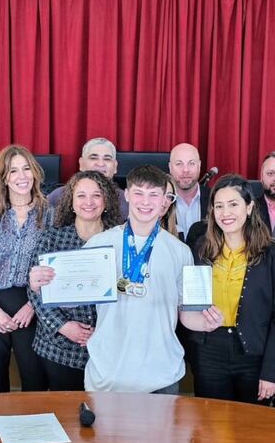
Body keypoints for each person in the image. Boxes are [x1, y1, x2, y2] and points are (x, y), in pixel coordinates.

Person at [83, 165, 223, 393]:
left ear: (165, 201)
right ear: (127, 195)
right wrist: (43, 283)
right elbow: (71, 294)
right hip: (106, 374)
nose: (145, 202)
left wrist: (205, 323)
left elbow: (186, 313)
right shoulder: (99, 244)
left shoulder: (180, 251)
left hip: (161, 377)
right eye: (138, 193)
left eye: (154, 195)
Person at [190, 175, 275, 404]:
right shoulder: (201, 250)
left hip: (254, 355)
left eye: (233, 204)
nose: (226, 213)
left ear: (249, 207)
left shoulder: (272, 253)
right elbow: (190, 302)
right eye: (219, 206)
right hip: (209, 352)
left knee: (250, 428)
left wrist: (271, 372)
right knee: (211, 426)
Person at [27, 171, 122, 389]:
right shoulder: (51, 238)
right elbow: (35, 292)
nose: (88, 202)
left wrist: (106, 330)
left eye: (96, 195)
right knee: (65, 416)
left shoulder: (120, 240)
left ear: (106, 201)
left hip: (107, 345)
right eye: (81, 195)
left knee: (106, 417)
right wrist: (63, 326)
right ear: (71, 201)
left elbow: (127, 288)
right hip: (59, 347)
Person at [0, 145, 52, 392]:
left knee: (34, 380)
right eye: (13, 171)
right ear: (4, 178)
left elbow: (50, 268)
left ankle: (33, 430)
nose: (21, 176)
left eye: (26, 169)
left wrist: (31, 306)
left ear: (35, 173)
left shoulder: (49, 214)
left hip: (32, 305)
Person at [46, 138, 129, 219]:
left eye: (107, 159)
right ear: (81, 164)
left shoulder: (127, 201)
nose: (100, 164)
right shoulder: (58, 196)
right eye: (93, 158)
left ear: (115, 167)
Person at [169, 142, 210, 239]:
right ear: (170, 167)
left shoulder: (214, 199)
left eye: (191, 163)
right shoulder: (161, 201)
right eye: (179, 164)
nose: (185, 170)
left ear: (199, 166)